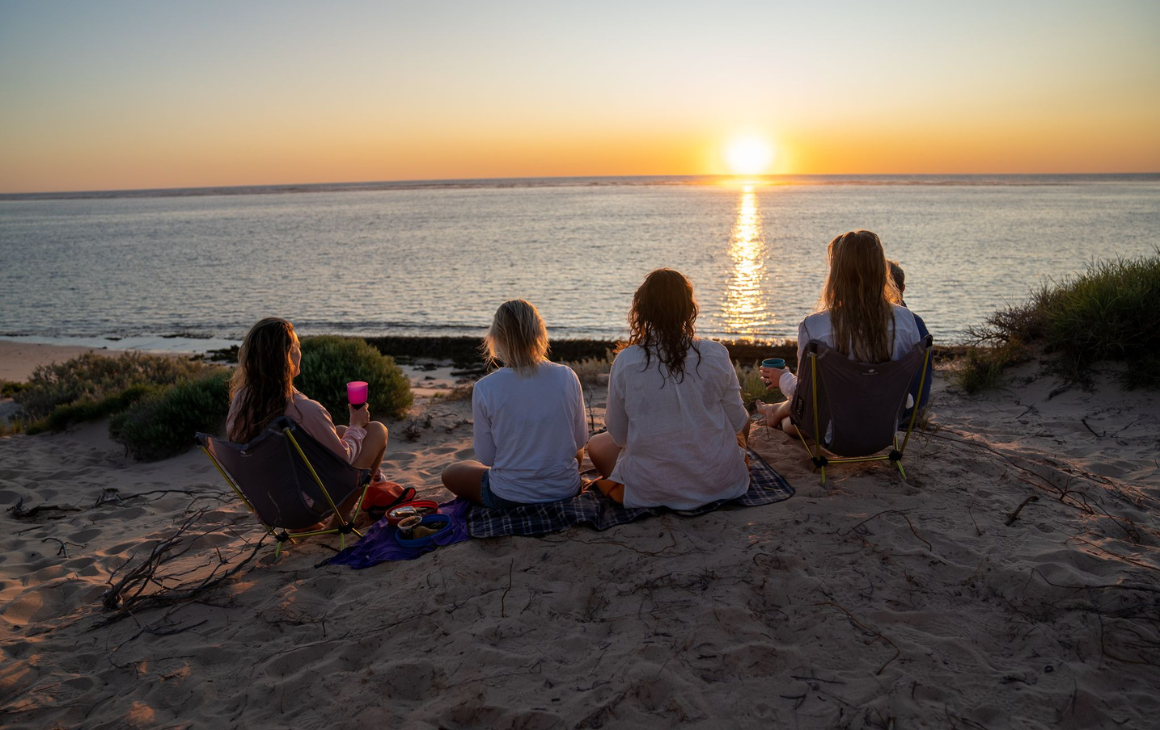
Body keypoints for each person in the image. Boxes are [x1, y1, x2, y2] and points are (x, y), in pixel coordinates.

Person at [586, 269, 750, 510]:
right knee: (739, 431)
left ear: (643, 311)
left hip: (649, 492)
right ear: (688, 309)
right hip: (722, 486)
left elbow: (620, 437)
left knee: (596, 444)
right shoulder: (716, 354)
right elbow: (738, 422)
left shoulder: (627, 362)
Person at [756, 231, 923, 437]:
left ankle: (775, 412)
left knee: (792, 422)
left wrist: (783, 378)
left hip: (835, 435)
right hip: (884, 429)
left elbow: (805, 396)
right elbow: (909, 377)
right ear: (881, 270)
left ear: (836, 273)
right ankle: (775, 410)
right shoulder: (906, 320)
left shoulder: (814, 326)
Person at [226, 318, 390, 520]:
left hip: (273, 507)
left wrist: (348, 430)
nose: (300, 352)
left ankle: (311, 525)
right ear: (289, 355)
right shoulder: (304, 410)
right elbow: (345, 458)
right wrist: (356, 424)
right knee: (376, 430)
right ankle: (340, 521)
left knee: (338, 431)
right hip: (308, 506)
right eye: (297, 346)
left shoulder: (241, 402)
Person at [441, 299, 587, 509]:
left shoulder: (486, 387)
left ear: (496, 338)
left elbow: (487, 458)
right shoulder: (567, 376)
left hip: (509, 496)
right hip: (565, 490)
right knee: (575, 448)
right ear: (539, 333)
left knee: (451, 472)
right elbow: (580, 439)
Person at [888, 259, 933, 420]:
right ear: (903, 288)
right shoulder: (916, 323)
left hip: (891, 412)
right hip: (914, 410)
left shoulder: (901, 323)